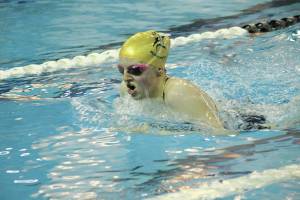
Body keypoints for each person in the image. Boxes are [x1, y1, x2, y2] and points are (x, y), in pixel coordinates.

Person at [118, 30, 224, 129]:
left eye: (135, 70)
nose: (125, 78)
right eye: (122, 70)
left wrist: (151, 130)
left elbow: (218, 133)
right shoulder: (125, 90)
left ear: (159, 69)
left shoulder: (179, 93)